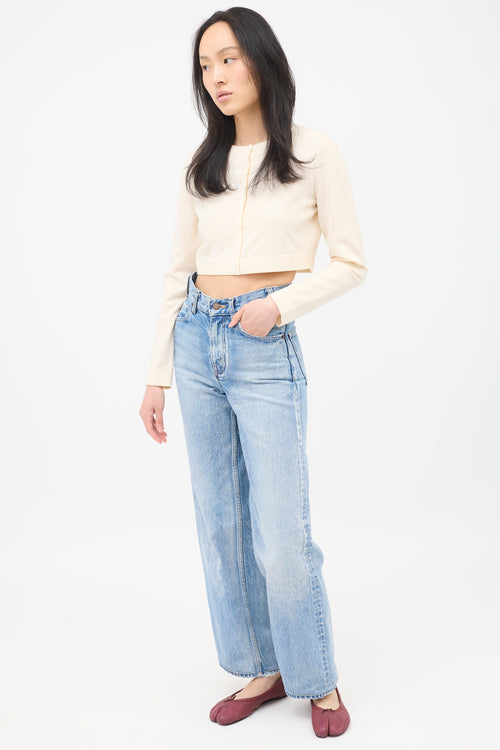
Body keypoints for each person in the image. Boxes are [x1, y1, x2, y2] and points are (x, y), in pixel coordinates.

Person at [139, 7, 367, 739]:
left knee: (281, 532)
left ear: (263, 60)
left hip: (264, 348)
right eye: (206, 65)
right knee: (221, 526)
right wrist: (157, 373)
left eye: (229, 58)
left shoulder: (312, 152)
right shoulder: (199, 165)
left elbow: (351, 262)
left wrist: (279, 305)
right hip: (196, 343)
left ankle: (316, 676)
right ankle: (262, 668)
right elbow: (177, 271)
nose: (217, 76)